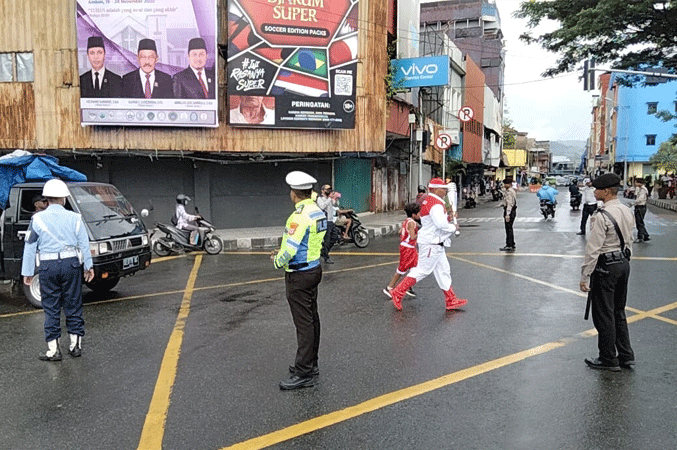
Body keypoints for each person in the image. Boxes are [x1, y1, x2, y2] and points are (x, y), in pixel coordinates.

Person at [21, 179, 94, 361]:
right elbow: (84, 244)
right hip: (71, 264)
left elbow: (29, 246)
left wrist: (27, 272)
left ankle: (53, 350)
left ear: (46, 198)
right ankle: (75, 346)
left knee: (51, 307)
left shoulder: (37, 219)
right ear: (63, 198)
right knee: (73, 303)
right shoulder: (76, 218)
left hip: (48, 265)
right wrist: (88, 266)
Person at [271, 171, 326, 390]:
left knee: (303, 324)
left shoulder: (299, 216)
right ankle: (311, 364)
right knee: (312, 319)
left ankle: (304, 372)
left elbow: (290, 249)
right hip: (313, 269)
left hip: (299, 275)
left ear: (294, 193)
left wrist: (277, 260)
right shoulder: (317, 211)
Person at [579, 173, 635, 371]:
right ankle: (626, 355)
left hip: (606, 266)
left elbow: (593, 248)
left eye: (597, 189)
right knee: (618, 311)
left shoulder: (601, 215)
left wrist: (585, 275)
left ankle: (608, 358)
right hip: (623, 263)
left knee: (603, 314)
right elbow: (629, 239)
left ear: (606, 192)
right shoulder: (626, 210)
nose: (594, 192)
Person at [385, 178, 467, 312]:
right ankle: (398, 292)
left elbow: (434, 221)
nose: (445, 191)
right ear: (435, 189)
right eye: (443, 188)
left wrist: (450, 218)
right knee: (422, 270)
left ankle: (451, 299)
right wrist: (453, 227)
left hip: (435, 243)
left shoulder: (429, 201)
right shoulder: (435, 204)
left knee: (443, 271)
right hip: (432, 243)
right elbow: (440, 224)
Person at [383, 203, 420, 298]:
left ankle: (408, 286)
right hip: (408, 248)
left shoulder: (406, 221)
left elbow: (400, 231)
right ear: (414, 214)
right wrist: (421, 233)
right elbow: (413, 237)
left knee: (414, 267)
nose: (420, 215)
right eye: (419, 213)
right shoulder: (412, 223)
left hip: (408, 247)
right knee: (402, 269)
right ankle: (389, 287)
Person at [316, 184, 337, 264]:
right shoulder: (320, 199)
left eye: (330, 189)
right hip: (325, 221)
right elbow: (322, 206)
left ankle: (324, 251)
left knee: (335, 237)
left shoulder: (329, 198)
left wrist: (334, 198)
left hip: (331, 220)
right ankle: (326, 256)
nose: (329, 191)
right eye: (327, 189)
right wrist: (329, 199)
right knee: (327, 240)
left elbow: (334, 205)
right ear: (322, 190)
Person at [499, 177, 517, 251]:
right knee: (509, 228)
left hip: (510, 211)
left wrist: (507, 214)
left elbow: (510, 204)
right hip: (512, 210)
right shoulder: (510, 191)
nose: (504, 185)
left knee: (508, 228)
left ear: (508, 184)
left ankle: (509, 245)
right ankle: (511, 244)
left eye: (505, 184)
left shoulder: (509, 192)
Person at [632, 178, 650, 242]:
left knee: (639, 222)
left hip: (641, 207)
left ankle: (641, 236)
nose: (635, 184)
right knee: (639, 222)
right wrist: (636, 190)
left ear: (640, 183)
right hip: (638, 207)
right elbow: (635, 195)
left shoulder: (643, 190)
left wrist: (632, 203)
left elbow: (640, 199)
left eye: (636, 182)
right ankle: (645, 235)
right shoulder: (639, 189)